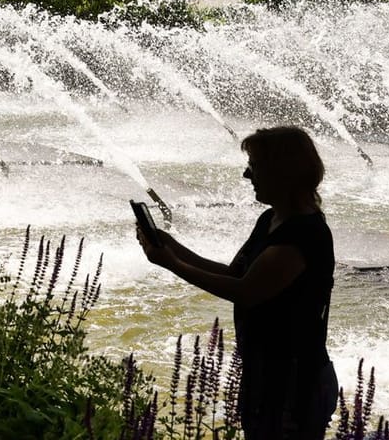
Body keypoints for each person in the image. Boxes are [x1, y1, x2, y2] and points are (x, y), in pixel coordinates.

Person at [138, 126, 338, 440]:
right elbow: (236, 274)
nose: (247, 175)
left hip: (294, 381)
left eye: (255, 166)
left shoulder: (302, 234)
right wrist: (172, 246)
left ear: (282, 172)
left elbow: (247, 293)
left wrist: (172, 264)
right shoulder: (271, 219)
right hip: (265, 372)